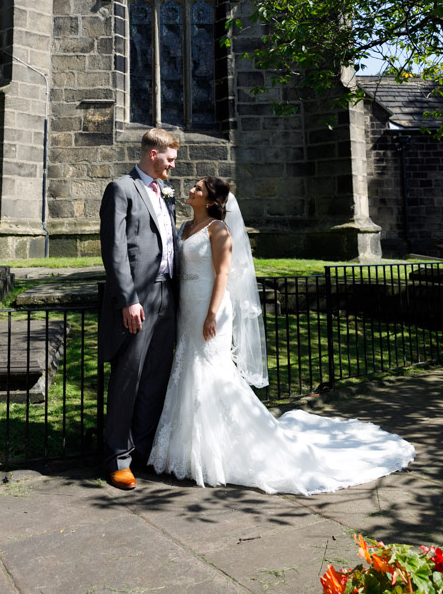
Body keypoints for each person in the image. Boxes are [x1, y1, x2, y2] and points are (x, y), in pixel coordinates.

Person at [149, 177, 416, 495]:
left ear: (209, 201)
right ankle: (187, 448)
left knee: (209, 371)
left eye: (198, 189)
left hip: (211, 307)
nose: (190, 190)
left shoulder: (218, 230)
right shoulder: (184, 229)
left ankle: (213, 453)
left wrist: (211, 313)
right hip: (187, 307)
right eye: (193, 187)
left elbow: (223, 272)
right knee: (188, 368)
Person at [99, 127, 180, 490]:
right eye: (170, 159)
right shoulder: (121, 188)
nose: (173, 167)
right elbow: (115, 249)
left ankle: (144, 451)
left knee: (155, 378)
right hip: (138, 298)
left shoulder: (165, 193)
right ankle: (119, 458)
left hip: (167, 295)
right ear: (153, 154)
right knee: (128, 376)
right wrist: (128, 298)